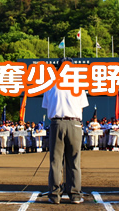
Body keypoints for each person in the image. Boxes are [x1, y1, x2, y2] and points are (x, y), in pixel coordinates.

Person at [42, 57, 89, 205]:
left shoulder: (51, 84)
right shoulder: (78, 84)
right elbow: (81, 108)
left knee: (56, 162)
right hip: (74, 124)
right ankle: (75, 195)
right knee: (74, 161)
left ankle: (55, 195)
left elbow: (47, 106)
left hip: (56, 123)